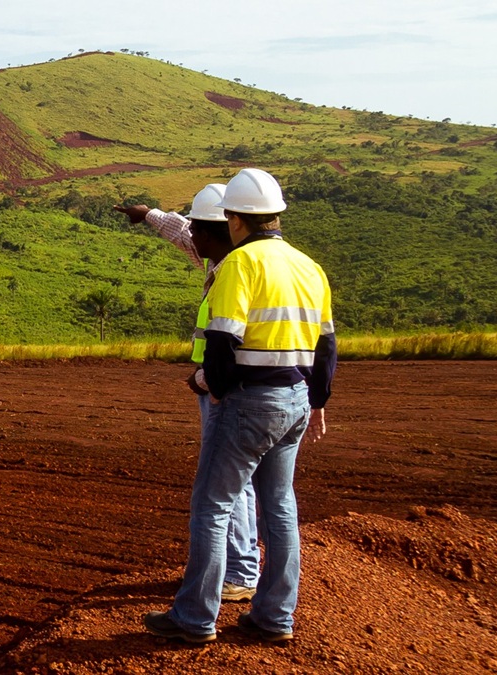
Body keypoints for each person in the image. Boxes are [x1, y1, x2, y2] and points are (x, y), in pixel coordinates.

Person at [143, 168, 337, 644]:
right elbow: (327, 346)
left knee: (212, 506)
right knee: (280, 507)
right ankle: (274, 618)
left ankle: (194, 619)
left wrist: (206, 381)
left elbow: (222, 342)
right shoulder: (309, 266)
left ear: (234, 219)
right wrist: (317, 401)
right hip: (295, 399)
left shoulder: (239, 265)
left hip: (249, 401)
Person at [115, 186, 259, 604]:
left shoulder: (236, 269)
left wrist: (207, 381)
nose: (190, 234)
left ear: (224, 227)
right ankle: (244, 568)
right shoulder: (226, 255)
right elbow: (183, 231)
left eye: (197, 227)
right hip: (252, 388)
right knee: (250, 486)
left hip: (226, 387)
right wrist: (148, 215)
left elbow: (231, 340)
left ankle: (236, 575)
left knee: (224, 487)